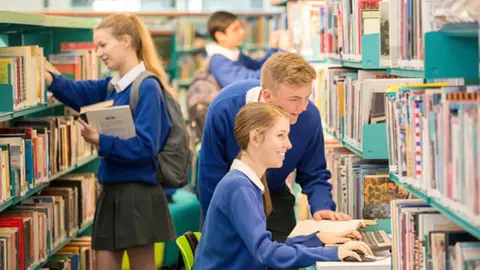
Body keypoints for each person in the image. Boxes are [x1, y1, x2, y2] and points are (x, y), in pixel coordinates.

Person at [45, 13, 176, 270]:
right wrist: (50, 79)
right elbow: (79, 92)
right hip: (112, 191)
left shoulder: (146, 87)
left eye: (103, 45)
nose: (99, 52)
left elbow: (145, 147)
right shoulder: (113, 86)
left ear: (126, 41)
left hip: (137, 193)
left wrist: (100, 140)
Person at [195, 102, 372, 269]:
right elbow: (265, 252)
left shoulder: (245, 182)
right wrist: (332, 253)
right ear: (255, 138)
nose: (288, 145)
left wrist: (317, 239)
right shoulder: (239, 188)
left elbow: (266, 246)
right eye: (281, 135)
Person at [198, 52, 351, 246]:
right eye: (295, 99)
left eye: (307, 97)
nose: (303, 107)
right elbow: (209, 177)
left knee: (289, 255)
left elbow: (314, 173)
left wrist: (322, 206)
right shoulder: (225, 107)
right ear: (268, 96)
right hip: (229, 199)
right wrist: (215, 229)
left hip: (274, 196)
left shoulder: (308, 116)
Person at [205, 11, 288, 88]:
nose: (242, 32)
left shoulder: (234, 53)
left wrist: (273, 49)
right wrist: (282, 51)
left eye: (241, 27)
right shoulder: (219, 61)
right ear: (220, 36)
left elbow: (258, 66)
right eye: (235, 29)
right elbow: (249, 81)